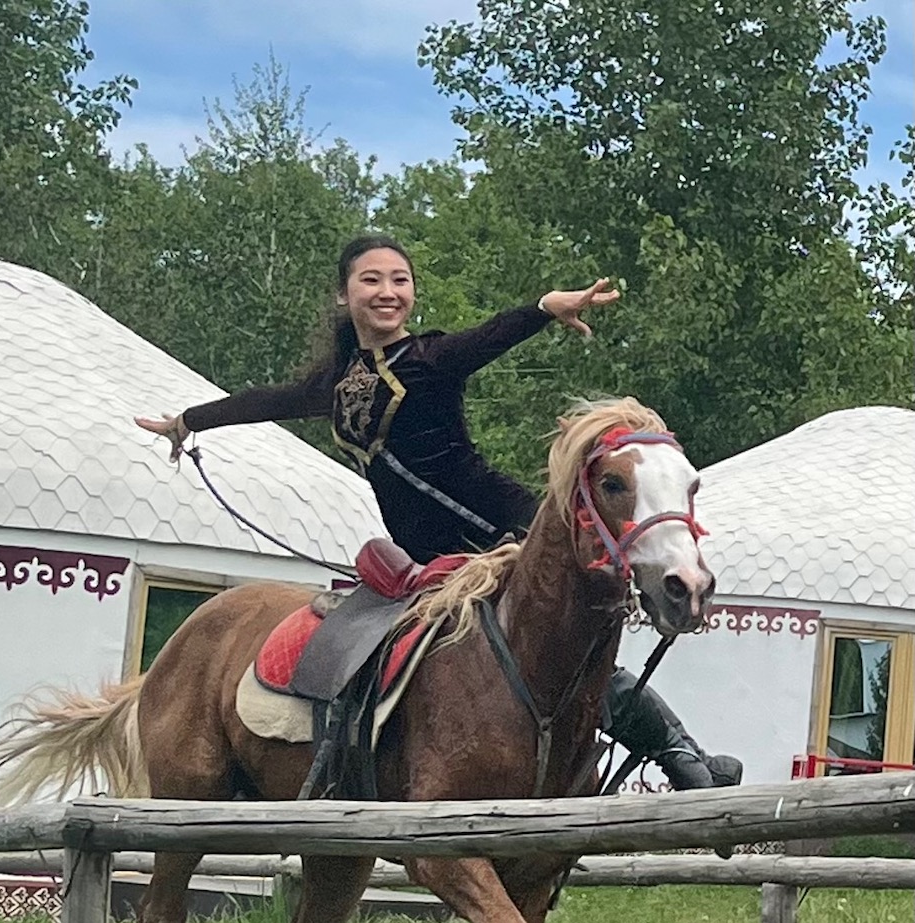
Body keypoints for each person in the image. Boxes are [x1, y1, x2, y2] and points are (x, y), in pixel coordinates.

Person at [137, 234, 741, 790]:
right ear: (344, 296)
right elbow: (265, 400)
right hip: (422, 556)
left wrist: (543, 309)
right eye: (371, 280)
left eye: (400, 280)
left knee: (564, 653)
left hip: (504, 530)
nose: (387, 291)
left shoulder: (431, 358)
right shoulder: (339, 383)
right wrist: (189, 422)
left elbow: (487, 337)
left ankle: (683, 759)